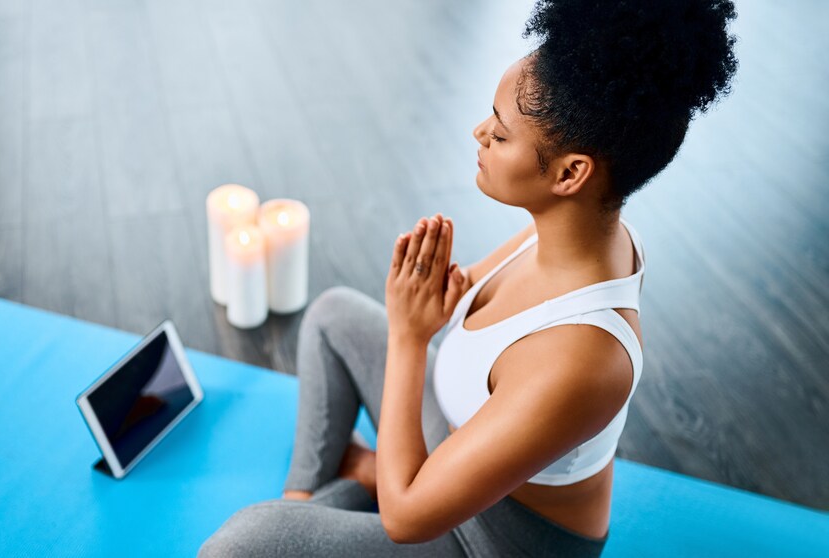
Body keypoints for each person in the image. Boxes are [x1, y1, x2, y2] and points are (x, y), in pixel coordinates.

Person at [199, 0, 737, 555]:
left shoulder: (586, 358)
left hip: (498, 539)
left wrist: (410, 337)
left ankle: (352, 487)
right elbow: (459, 307)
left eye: (500, 136)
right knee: (333, 314)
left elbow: (406, 522)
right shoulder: (568, 231)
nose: (479, 133)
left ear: (570, 173)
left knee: (239, 547)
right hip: (457, 455)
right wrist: (429, 299)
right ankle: (316, 497)